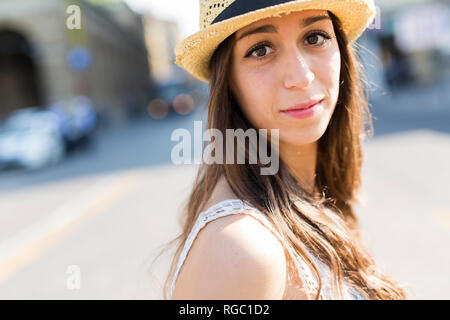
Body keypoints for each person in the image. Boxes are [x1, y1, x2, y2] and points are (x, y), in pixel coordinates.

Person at [163, 0, 407, 299]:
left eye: (315, 37)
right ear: (227, 79)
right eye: (261, 50)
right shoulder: (241, 249)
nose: (301, 77)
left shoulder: (313, 195)